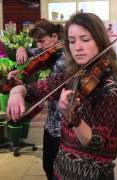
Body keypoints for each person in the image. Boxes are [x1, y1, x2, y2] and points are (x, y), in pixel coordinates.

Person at [6, 12, 117, 180]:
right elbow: (37, 88)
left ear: (100, 41)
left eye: (85, 39)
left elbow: (95, 144)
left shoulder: (110, 87)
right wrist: (17, 92)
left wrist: (71, 115)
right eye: (71, 41)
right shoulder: (74, 74)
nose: (77, 47)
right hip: (61, 171)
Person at [8, 19, 64, 180]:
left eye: (41, 41)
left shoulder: (65, 57)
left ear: (54, 36)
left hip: (65, 126)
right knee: (48, 166)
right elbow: (32, 54)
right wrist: (21, 49)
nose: (39, 46)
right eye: (36, 42)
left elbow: (51, 86)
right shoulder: (48, 51)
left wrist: (23, 88)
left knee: (57, 171)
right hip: (51, 123)